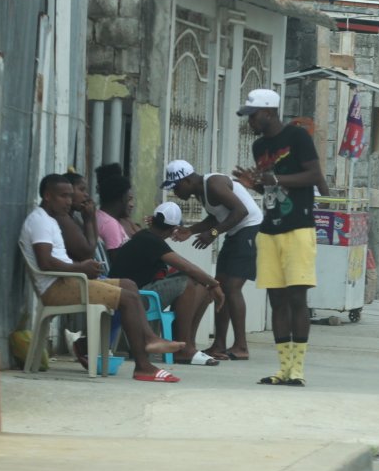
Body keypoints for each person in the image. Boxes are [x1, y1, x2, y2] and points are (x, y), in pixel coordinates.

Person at [20, 175, 183, 382]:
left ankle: (150, 339)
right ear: (47, 196)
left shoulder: (51, 219)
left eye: (71, 196)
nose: (69, 201)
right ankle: (144, 367)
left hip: (69, 281)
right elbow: (45, 262)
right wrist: (81, 267)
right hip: (56, 288)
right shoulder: (40, 220)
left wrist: (83, 269)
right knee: (128, 298)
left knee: (129, 285)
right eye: (63, 196)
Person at [233, 88, 325, 387]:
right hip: (269, 229)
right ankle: (282, 368)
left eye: (253, 115)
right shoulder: (259, 146)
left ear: (269, 112)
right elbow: (271, 188)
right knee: (276, 299)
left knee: (298, 297)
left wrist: (277, 178)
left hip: (298, 227)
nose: (250, 122)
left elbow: (313, 176)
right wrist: (254, 185)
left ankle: (298, 369)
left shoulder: (297, 137)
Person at [164, 158, 263, 362]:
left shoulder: (214, 184)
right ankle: (219, 344)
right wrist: (190, 231)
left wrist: (214, 233)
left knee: (233, 288)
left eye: (176, 186)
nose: (176, 192)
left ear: (187, 180)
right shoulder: (201, 192)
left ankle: (241, 346)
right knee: (219, 285)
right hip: (236, 233)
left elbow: (240, 211)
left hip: (250, 230)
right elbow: (217, 216)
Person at [108, 201, 225, 365]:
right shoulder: (149, 240)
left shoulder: (148, 237)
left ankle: (188, 345)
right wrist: (215, 284)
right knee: (188, 282)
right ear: (173, 229)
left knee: (202, 287)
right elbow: (186, 267)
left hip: (135, 294)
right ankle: (183, 351)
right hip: (133, 298)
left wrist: (209, 284)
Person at [94, 163, 139, 251]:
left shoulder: (100, 216)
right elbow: (118, 259)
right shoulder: (110, 223)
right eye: (128, 198)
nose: (131, 204)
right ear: (122, 197)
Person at [60, 170, 100, 262]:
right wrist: (88, 221)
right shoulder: (63, 219)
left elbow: (94, 242)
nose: (86, 195)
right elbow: (89, 254)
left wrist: (92, 215)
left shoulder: (75, 217)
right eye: (82, 189)